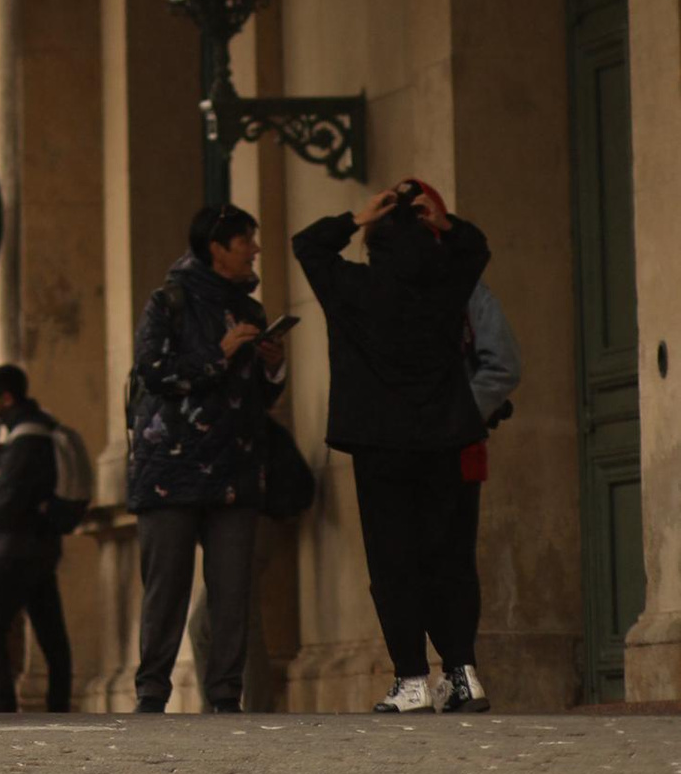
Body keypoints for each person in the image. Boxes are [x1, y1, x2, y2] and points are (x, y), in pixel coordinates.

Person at [293, 177, 490, 717]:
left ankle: (411, 679)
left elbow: (307, 244)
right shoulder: (447, 285)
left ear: (373, 246)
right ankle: (462, 673)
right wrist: (445, 224)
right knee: (449, 558)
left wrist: (356, 217)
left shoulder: (353, 289)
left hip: (381, 444)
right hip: (446, 438)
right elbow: (476, 247)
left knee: (393, 561)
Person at [127, 200, 290, 715]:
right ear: (218, 248)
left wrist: (271, 367)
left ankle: (225, 694)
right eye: (246, 242)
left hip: (236, 466)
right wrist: (220, 352)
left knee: (232, 590)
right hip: (168, 471)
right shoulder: (168, 301)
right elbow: (154, 372)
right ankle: (152, 692)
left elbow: (257, 399)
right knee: (166, 588)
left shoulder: (251, 309)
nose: (256, 251)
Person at [440, 275, 523, 717]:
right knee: (444, 562)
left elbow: (503, 363)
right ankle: (449, 672)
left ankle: (456, 670)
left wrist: (458, 417)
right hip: (430, 443)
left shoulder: (465, 288)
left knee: (450, 561)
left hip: (453, 449)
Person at [0, 362, 75, 712]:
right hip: (41, 546)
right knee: (51, 632)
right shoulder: (38, 429)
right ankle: (58, 704)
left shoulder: (27, 437)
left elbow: (7, 503)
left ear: (6, 397)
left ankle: (3, 707)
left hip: (15, 549)